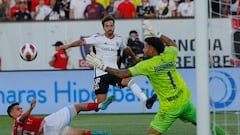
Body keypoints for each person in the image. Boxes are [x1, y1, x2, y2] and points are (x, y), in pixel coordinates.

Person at [86, 20, 231, 135]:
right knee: (204, 124)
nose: (143, 49)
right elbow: (172, 44)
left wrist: (102, 66)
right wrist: (158, 33)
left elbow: (123, 74)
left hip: (169, 108)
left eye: (145, 47)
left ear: (152, 49)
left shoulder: (147, 65)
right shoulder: (169, 55)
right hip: (185, 101)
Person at [60, 15, 155, 109]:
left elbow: (126, 49)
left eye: (111, 25)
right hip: (101, 73)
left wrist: (134, 58)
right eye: (107, 26)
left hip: (114, 71)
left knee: (130, 81)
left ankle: (146, 101)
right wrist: (67, 46)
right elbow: (81, 42)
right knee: (99, 106)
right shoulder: (97, 38)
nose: (110, 28)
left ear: (114, 26)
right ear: (103, 27)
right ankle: (100, 103)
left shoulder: (119, 39)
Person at [7, 96, 114, 135]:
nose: (21, 109)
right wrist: (30, 108)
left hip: (49, 128)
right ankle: (99, 105)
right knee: (77, 107)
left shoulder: (15, 131)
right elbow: (22, 119)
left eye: (21, 108)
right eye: (18, 109)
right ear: (11, 114)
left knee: (82, 132)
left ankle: (104, 133)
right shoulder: (18, 120)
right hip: (50, 124)